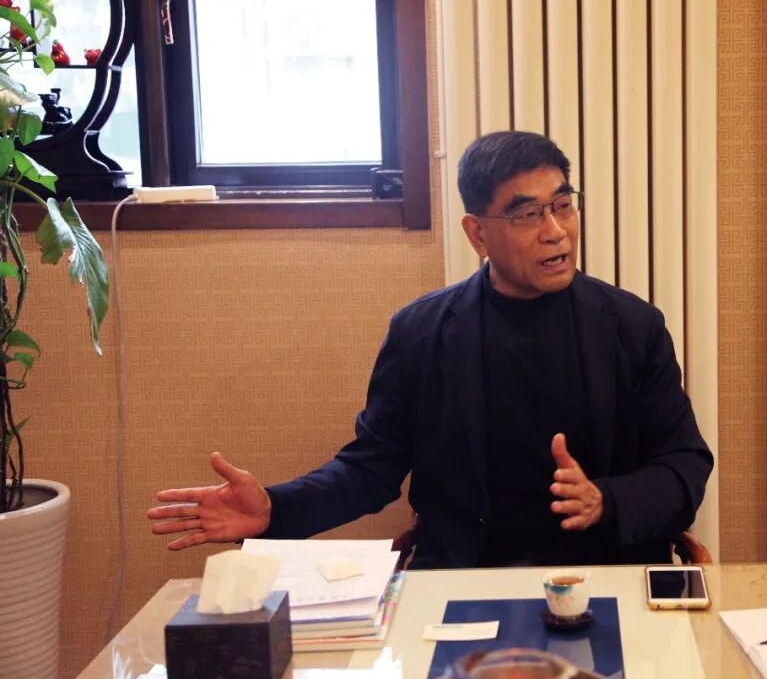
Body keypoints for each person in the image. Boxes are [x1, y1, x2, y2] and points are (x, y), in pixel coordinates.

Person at [147, 131, 714, 568]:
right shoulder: (421, 333)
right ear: (478, 234)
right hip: (464, 580)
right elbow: (371, 468)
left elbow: (684, 464)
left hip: (604, 573)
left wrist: (606, 501)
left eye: (563, 205)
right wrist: (276, 508)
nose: (555, 230)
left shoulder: (632, 327)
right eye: (526, 214)